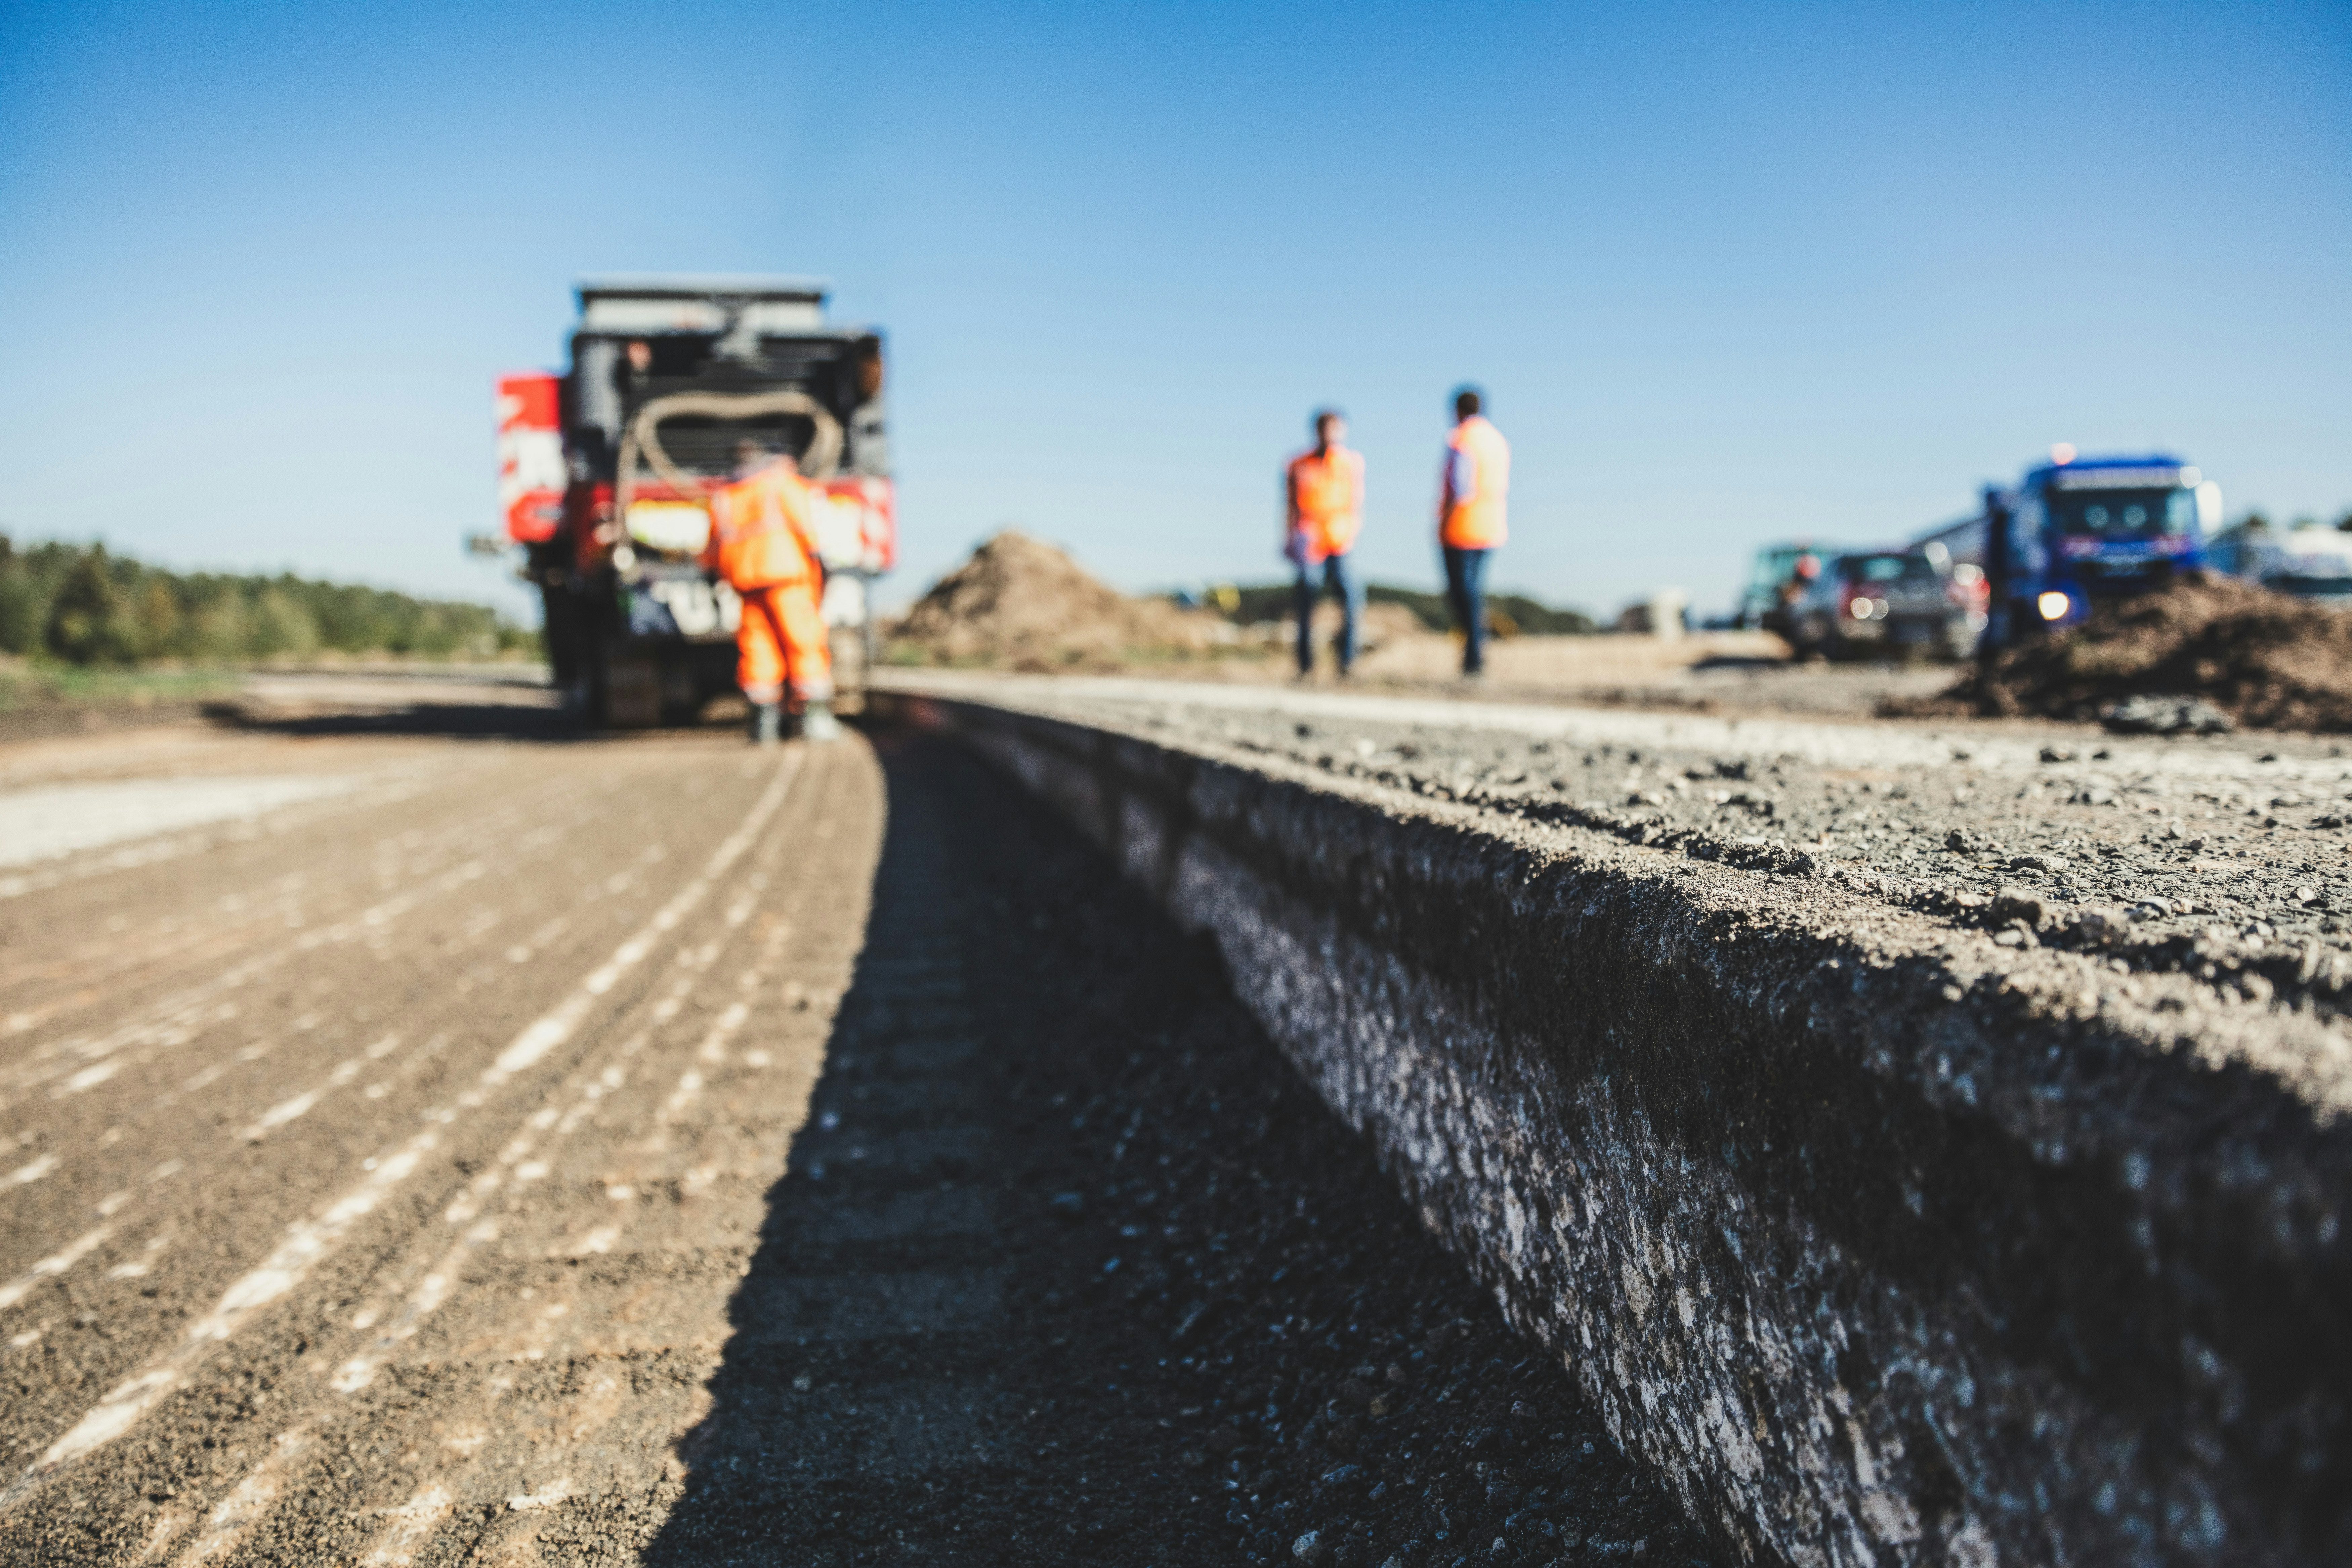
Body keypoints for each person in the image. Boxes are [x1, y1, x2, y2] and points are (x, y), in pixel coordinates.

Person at [705, 439, 839, 745]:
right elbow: (811, 529)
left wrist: (713, 579)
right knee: (803, 642)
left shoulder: (724, 497)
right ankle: (814, 719)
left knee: (757, 649)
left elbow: (712, 549)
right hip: (788, 578)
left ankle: (764, 724)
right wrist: (823, 564)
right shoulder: (781, 485)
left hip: (746, 583)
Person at [1284, 408, 1366, 677]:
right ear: (1317, 431)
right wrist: (1289, 539)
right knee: (1307, 598)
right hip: (1310, 541)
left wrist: (1352, 530)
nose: (1329, 435)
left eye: (1335, 429)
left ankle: (1347, 662)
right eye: (1325, 429)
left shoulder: (1350, 463)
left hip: (1340, 540)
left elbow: (1356, 501)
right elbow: (1290, 505)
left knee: (1351, 598)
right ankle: (1306, 665)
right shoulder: (1298, 464)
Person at [1437, 386, 1511, 678]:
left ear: (1457, 410)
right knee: (1475, 592)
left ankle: (1474, 655)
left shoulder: (1460, 439)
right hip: (1492, 525)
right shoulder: (1498, 440)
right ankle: (1475, 652)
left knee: (1463, 594)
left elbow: (1461, 486)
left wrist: (1445, 521)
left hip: (1463, 526)